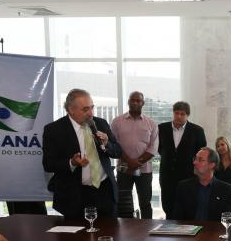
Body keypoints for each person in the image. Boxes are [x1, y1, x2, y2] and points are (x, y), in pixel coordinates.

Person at [42, 88, 122, 219]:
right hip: (74, 196)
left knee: (108, 235)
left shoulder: (100, 123)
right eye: (85, 109)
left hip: (104, 192)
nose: (91, 113)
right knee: (76, 238)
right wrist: (72, 162)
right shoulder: (54, 130)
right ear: (71, 109)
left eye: (92, 107)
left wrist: (107, 144)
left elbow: (118, 151)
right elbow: (48, 164)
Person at [111, 91, 158, 219]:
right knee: (123, 202)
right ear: (128, 102)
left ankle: (147, 230)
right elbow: (113, 145)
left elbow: (153, 147)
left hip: (144, 170)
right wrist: (129, 162)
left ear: (143, 103)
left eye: (138, 100)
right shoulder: (117, 122)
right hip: (124, 169)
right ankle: (124, 231)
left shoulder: (151, 123)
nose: (135, 103)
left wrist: (137, 163)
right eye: (133, 100)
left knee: (145, 202)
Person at [158, 101, 207, 219]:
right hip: (167, 175)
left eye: (182, 114)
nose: (179, 116)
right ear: (173, 113)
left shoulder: (197, 130)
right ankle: (169, 232)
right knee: (168, 207)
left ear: (187, 115)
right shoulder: (161, 128)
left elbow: (201, 153)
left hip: (188, 175)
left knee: (187, 207)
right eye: (176, 113)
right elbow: (159, 149)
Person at [174, 148, 231, 222]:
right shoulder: (184, 187)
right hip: (187, 231)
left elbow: (228, 222)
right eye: (195, 159)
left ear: (212, 165)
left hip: (214, 232)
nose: (194, 162)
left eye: (200, 160)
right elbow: (176, 219)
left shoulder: (227, 191)